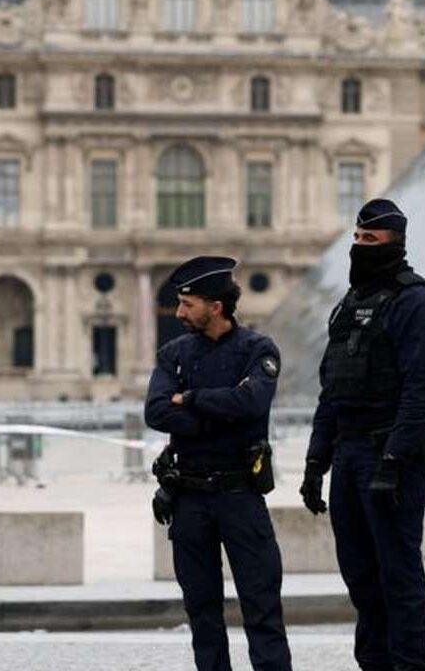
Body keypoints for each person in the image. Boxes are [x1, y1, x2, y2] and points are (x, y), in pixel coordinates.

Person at [298, 198, 425, 671]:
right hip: (349, 454)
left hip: (389, 458)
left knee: (399, 576)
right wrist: (315, 462)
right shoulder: (348, 306)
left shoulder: (416, 302)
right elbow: (332, 388)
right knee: (360, 576)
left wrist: (393, 461)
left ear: (395, 245)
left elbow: (423, 394)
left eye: (370, 241)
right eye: (357, 239)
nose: (359, 247)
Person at [144, 256, 292, 671]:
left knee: (262, 608)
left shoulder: (257, 349)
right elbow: (156, 412)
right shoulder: (173, 353)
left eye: (187, 304)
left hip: (240, 494)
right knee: (201, 613)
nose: (179, 313)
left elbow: (251, 402)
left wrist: (190, 400)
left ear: (215, 304)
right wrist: (222, 409)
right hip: (189, 498)